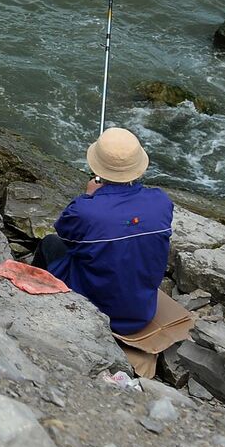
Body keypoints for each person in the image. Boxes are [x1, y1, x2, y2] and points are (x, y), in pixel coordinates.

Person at [40, 126, 174, 335]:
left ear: (98, 167)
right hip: (141, 314)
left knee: (50, 243)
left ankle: (33, 302)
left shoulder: (85, 211)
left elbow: (64, 233)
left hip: (95, 312)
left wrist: (88, 196)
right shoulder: (161, 202)